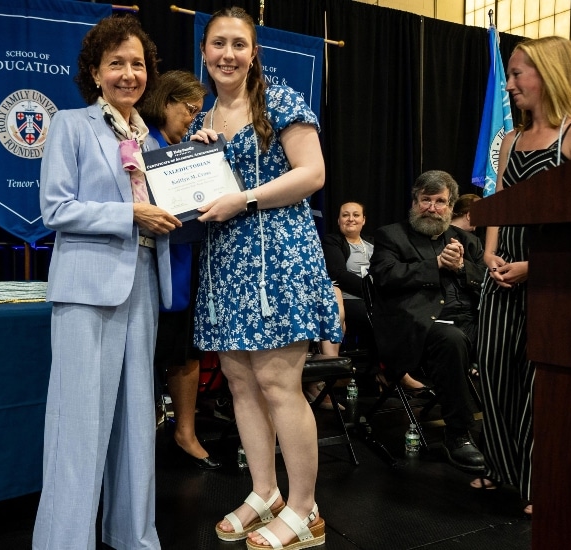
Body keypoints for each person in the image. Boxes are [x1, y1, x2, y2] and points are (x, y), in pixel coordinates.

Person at [189, 8, 340, 550]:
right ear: (204, 52)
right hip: (229, 262)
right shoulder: (205, 115)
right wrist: (203, 158)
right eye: (218, 44)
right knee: (241, 383)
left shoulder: (276, 99)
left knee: (280, 385)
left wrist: (244, 197)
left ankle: (306, 510)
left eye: (238, 44)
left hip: (277, 256)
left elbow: (313, 173)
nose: (228, 54)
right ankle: (264, 492)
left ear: (254, 53)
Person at [32, 15, 181, 550]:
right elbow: (55, 208)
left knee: (138, 423)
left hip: (143, 284)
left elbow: (173, 204)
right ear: (95, 73)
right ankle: (64, 542)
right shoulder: (71, 125)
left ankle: (134, 537)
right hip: (86, 288)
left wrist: (198, 165)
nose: (128, 73)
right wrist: (131, 217)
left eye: (137, 64)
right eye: (116, 63)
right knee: (78, 424)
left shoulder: (153, 138)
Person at [474, 36, 571, 517]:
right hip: (501, 272)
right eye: (508, 75)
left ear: (548, 74)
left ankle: (538, 481)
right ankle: (505, 467)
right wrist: (489, 257)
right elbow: (501, 209)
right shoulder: (508, 140)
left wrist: (534, 267)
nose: (509, 85)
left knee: (538, 385)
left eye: (517, 74)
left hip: (549, 279)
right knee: (493, 372)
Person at [369, 170, 487, 473]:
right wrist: (433, 264)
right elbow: (384, 277)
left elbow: (486, 282)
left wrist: (461, 266)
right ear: (414, 201)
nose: (432, 207)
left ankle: (504, 433)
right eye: (426, 200)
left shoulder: (466, 240)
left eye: (440, 201)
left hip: (471, 321)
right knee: (452, 340)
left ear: (450, 206)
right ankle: (458, 434)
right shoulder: (391, 236)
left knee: (512, 334)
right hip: (419, 327)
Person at [140, 70, 220, 469]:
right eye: (189, 109)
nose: (194, 117)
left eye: (199, 112)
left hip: (186, 267)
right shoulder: (140, 144)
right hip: (143, 270)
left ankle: (184, 432)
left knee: (185, 354)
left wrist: (205, 153)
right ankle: (141, 437)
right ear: (166, 102)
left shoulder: (191, 150)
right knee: (144, 356)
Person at [320, 201, 428, 394]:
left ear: (364, 220)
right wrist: (372, 291)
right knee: (381, 317)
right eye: (345, 215)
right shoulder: (332, 241)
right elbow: (338, 274)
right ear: (338, 220)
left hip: (378, 298)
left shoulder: (374, 243)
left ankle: (386, 369)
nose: (350, 219)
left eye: (355, 215)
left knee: (410, 314)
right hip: (347, 300)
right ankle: (395, 372)